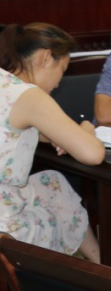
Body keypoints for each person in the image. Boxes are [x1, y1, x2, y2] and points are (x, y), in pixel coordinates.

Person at [0, 23, 105, 261]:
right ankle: (95, 270)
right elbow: (93, 154)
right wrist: (87, 129)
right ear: (46, 58)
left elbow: (12, 128)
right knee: (58, 206)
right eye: (62, 70)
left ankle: (100, 263)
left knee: (53, 184)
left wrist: (59, 134)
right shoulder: (28, 95)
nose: (58, 83)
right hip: (4, 229)